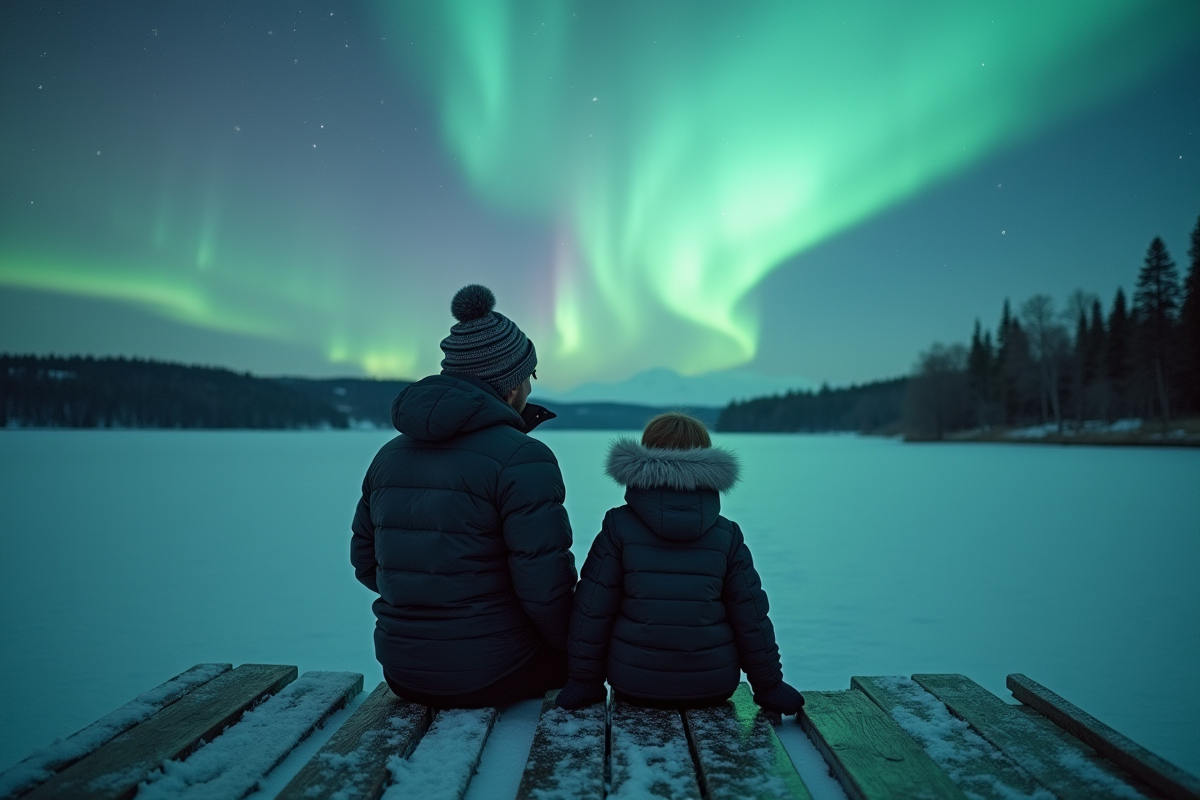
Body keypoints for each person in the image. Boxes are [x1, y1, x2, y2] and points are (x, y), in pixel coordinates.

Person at [351, 284, 576, 708]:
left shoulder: (388, 456)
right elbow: (545, 587)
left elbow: (367, 563)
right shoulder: (523, 458)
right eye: (530, 374)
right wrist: (574, 649)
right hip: (493, 672)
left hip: (403, 671)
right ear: (509, 386)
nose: (531, 385)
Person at [556, 412, 803, 714]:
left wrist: (584, 680)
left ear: (643, 457)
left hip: (635, 683)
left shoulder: (618, 526)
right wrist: (769, 686)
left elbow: (592, 609)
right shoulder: (726, 535)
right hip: (712, 686)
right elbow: (750, 615)